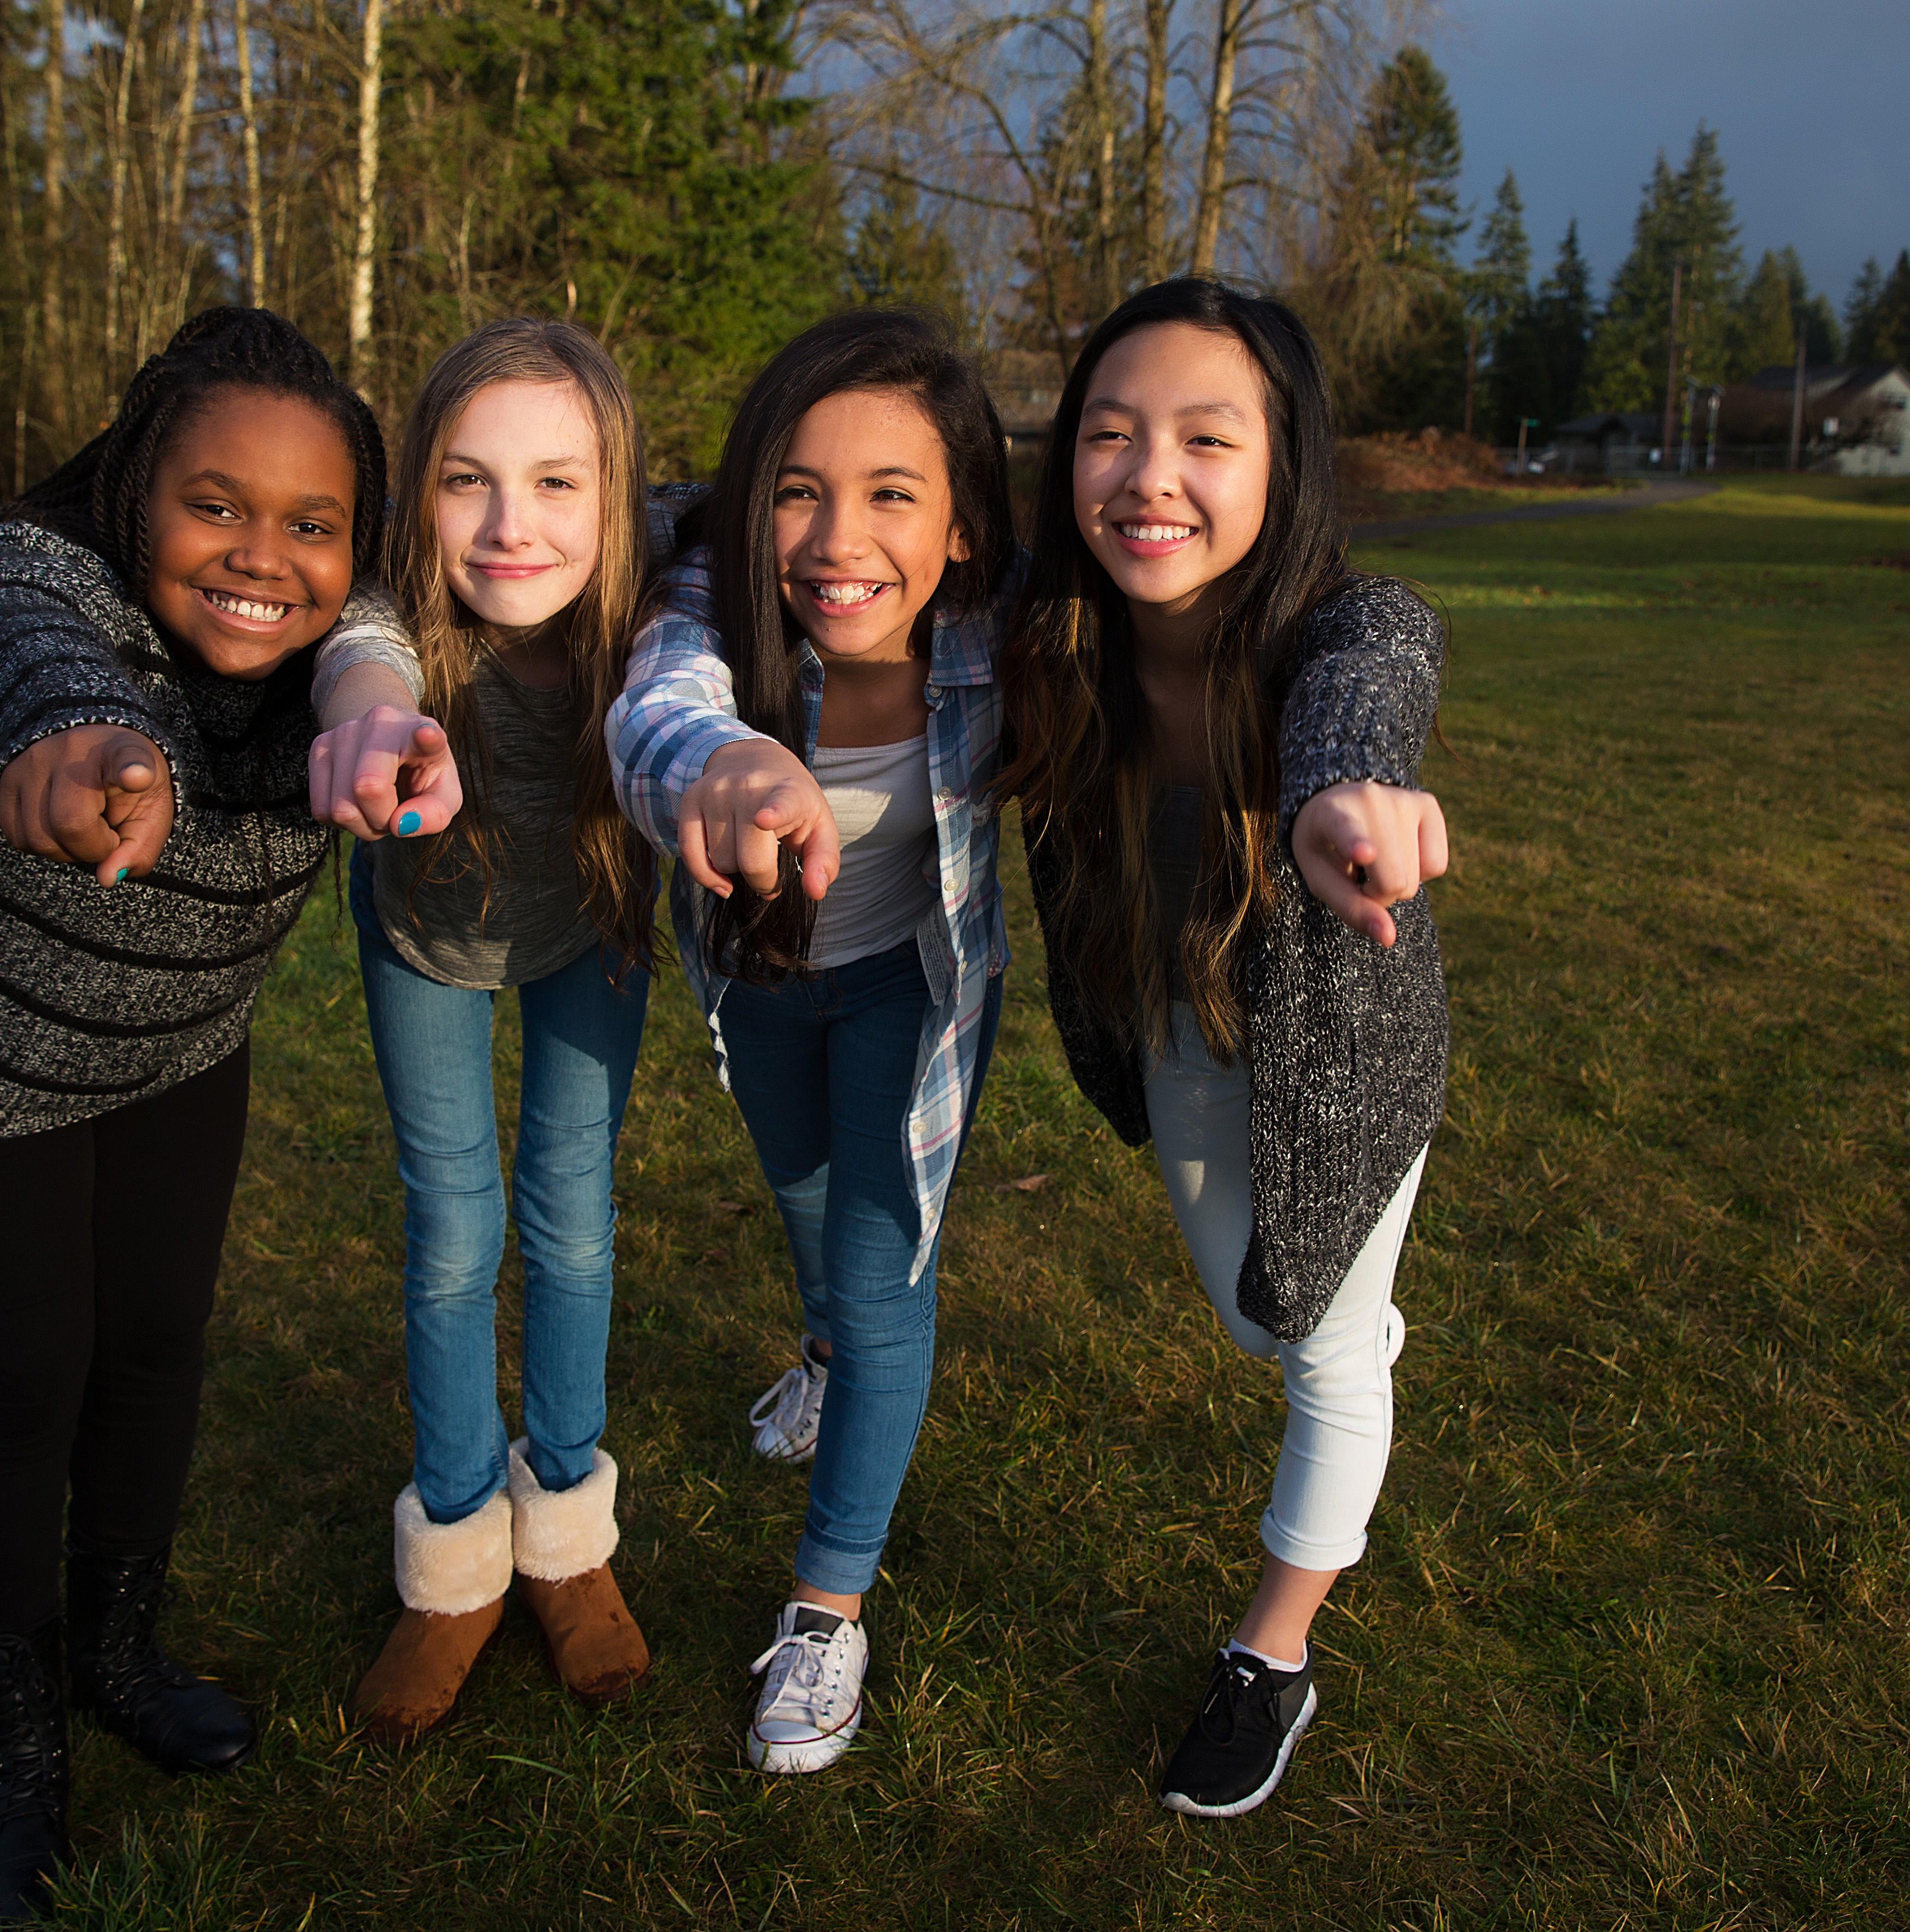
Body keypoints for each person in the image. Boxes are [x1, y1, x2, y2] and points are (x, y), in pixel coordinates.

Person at [0, 307, 441, 1922]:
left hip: (166, 1040)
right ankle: (8, 1741)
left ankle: (114, 1649)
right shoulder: (26, 582)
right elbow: (37, 663)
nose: (262, 556)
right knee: (23, 1376)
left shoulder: (340, 626)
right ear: (134, 488)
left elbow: (370, 638)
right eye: (214, 505)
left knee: (156, 1342)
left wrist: (371, 707)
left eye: (310, 521)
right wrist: (77, 747)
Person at [999, 278, 1451, 1821]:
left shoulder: (1351, 626)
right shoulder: (1050, 637)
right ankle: (1348, 1337)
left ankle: (1273, 1650)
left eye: (1207, 437)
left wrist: (1343, 796)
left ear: (1283, 463)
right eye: (1113, 435)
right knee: (1255, 1312)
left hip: (1344, 1053)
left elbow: (1367, 701)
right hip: (1171, 1026)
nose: (1153, 477)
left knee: (1322, 1339)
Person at [606, 309, 1015, 1775]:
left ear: (963, 526)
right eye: (799, 486)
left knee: (876, 1263)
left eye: (892, 493)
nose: (838, 537)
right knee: (801, 1204)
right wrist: (721, 759)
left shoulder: (999, 635)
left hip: (913, 985)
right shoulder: (708, 601)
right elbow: (655, 711)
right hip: (760, 982)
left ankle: (828, 1603)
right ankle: (827, 1358)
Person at [302, 319, 664, 1743]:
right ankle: (454, 1559)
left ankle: (567, 1536)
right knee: (453, 1232)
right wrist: (368, 725)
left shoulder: (647, 625)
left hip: (595, 916)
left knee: (570, 1217)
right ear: (419, 495)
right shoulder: (394, 611)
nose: (512, 525)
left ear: (617, 494)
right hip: (425, 930)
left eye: (558, 482)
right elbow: (363, 666)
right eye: (469, 480)